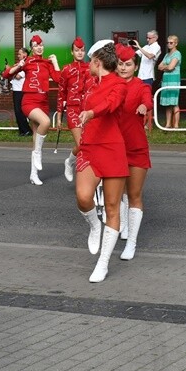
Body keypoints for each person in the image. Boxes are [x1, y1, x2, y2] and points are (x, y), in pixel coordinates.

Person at [76, 41, 130, 283]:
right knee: (83, 197)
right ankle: (94, 225)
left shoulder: (119, 84)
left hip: (112, 148)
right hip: (90, 147)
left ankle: (103, 263)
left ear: (97, 62)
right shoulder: (89, 83)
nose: (88, 64)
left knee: (112, 207)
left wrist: (91, 113)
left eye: (90, 61)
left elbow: (111, 104)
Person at [1, 34, 60, 185]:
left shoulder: (47, 63)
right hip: (29, 101)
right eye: (36, 45)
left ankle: (33, 174)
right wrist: (19, 65)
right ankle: (38, 154)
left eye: (41, 45)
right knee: (46, 122)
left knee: (35, 137)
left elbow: (59, 80)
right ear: (32, 48)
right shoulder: (27, 61)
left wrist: (55, 63)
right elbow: (6, 74)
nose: (39, 48)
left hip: (43, 102)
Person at [114, 50, 153, 261]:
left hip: (136, 147)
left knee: (134, 193)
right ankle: (123, 225)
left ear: (135, 67)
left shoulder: (141, 86)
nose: (123, 68)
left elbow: (148, 101)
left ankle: (132, 243)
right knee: (118, 192)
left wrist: (144, 106)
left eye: (128, 64)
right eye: (120, 64)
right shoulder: (111, 85)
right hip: (114, 148)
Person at [57, 37, 93, 182]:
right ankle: (83, 177)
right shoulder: (66, 69)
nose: (80, 53)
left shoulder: (90, 67)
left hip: (87, 110)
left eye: (82, 50)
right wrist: (59, 116)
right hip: (72, 110)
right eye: (77, 50)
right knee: (81, 144)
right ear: (72, 52)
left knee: (88, 143)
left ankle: (70, 161)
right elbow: (61, 93)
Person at [6, 47, 33, 136]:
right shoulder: (18, 65)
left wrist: (11, 71)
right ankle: (22, 130)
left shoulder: (25, 65)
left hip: (20, 91)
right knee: (17, 112)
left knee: (20, 111)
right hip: (16, 90)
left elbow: (18, 76)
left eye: (19, 54)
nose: (18, 56)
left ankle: (27, 130)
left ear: (25, 54)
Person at [157, 35, 182, 129]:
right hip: (166, 80)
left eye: (171, 42)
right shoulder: (167, 55)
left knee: (174, 102)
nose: (169, 44)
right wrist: (167, 67)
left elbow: (171, 67)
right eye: (168, 42)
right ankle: (168, 124)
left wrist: (165, 67)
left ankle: (176, 125)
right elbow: (159, 66)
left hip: (174, 80)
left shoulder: (177, 53)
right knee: (168, 103)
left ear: (176, 43)